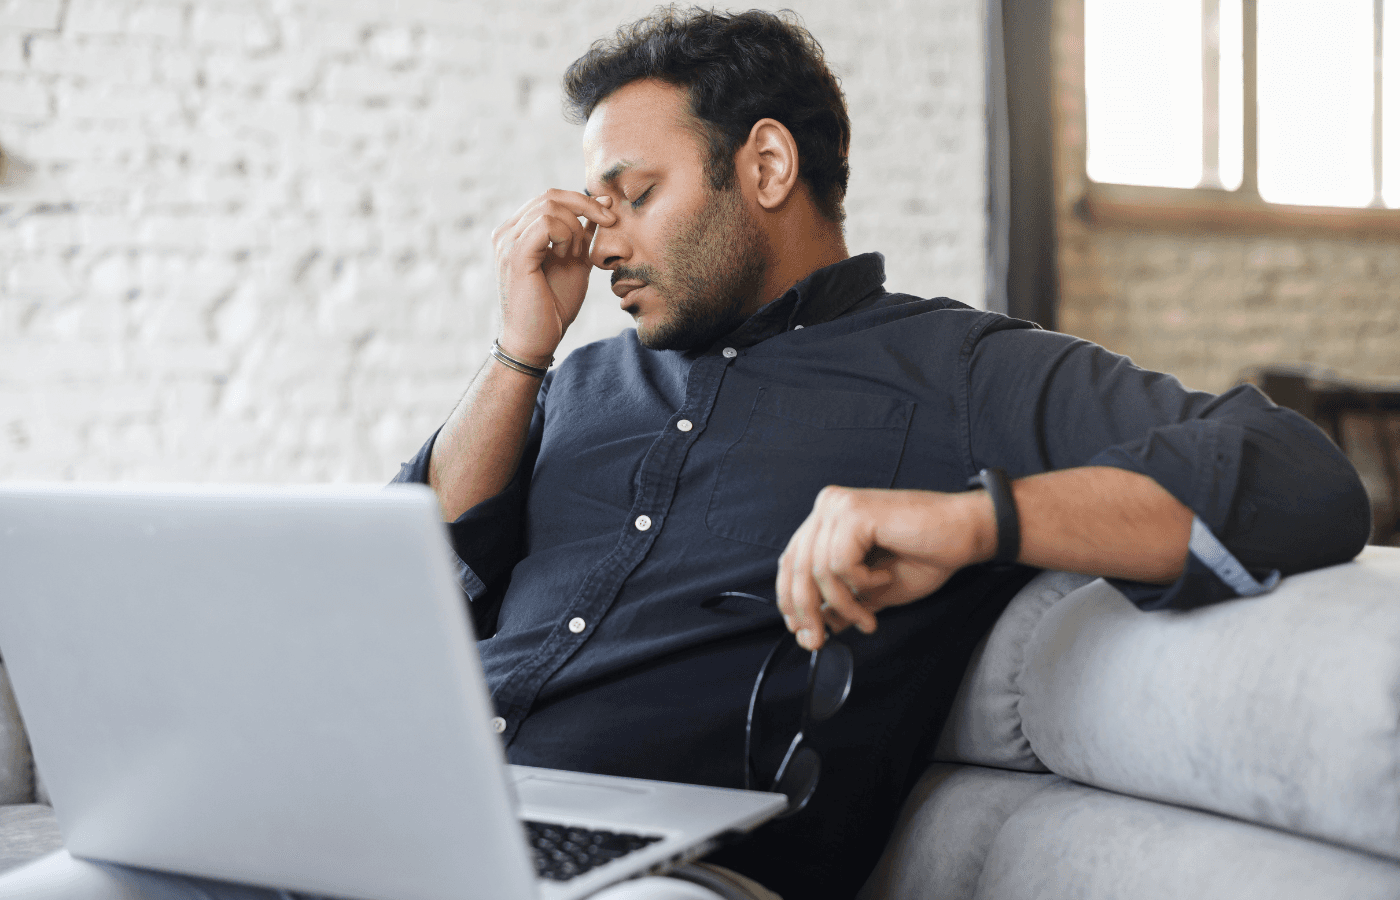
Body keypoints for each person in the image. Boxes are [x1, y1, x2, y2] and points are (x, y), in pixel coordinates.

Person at [0, 8, 1369, 900]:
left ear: (763, 168)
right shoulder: (578, 380)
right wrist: (520, 347)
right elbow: (420, 565)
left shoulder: (958, 370)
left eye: (635, 196)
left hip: (675, 872)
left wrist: (977, 521)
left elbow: (1294, 472)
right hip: (402, 817)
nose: (602, 240)